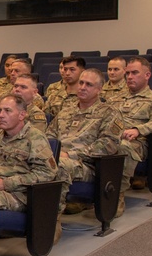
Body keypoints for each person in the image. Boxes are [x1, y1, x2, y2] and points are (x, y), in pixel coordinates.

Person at [0, 95, 58, 256]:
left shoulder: (35, 138)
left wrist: (7, 183)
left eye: (7, 111)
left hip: (20, 195)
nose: (1, 115)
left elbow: (47, 174)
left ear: (22, 115)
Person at [46, 69, 122, 212]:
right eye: (81, 83)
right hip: (58, 157)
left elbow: (108, 144)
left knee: (59, 165)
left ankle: (51, 220)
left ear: (99, 89)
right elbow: (49, 136)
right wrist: (53, 153)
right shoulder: (66, 110)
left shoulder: (109, 113)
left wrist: (70, 155)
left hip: (87, 165)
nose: (82, 87)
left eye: (88, 84)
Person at [116, 56, 152, 196]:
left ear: (147, 75)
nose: (129, 77)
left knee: (122, 147)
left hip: (140, 142)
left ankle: (115, 196)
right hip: (113, 137)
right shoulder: (115, 98)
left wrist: (138, 130)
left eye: (135, 73)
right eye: (127, 73)